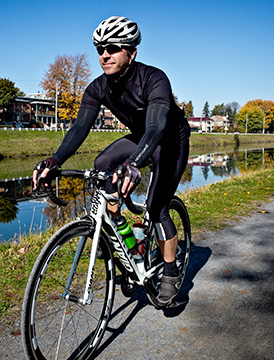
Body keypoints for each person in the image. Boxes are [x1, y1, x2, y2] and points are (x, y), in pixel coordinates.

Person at [32, 16, 191, 307]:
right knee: (102, 163)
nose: (104, 54)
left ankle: (170, 271)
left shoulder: (154, 79)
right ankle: (121, 235)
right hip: (141, 136)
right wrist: (54, 160)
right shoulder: (97, 88)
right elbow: (79, 128)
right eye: (100, 49)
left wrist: (133, 163)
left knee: (157, 209)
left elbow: (156, 127)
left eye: (113, 48)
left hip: (170, 141)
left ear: (131, 52)